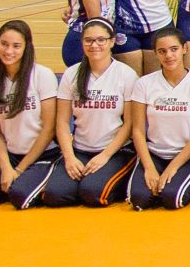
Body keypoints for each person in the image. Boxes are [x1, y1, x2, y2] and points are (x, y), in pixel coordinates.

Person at [0, 21, 60, 209]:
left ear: (26, 48)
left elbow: (49, 129)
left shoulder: (42, 75)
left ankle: (43, 179)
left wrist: (20, 170)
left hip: (43, 155)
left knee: (19, 197)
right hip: (11, 156)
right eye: (4, 44)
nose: (9, 51)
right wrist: (6, 168)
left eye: (16, 46)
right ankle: (19, 182)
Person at [44, 18, 138, 207]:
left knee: (93, 193)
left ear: (112, 41)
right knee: (55, 195)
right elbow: (62, 123)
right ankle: (87, 181)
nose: (94, 45)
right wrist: (69, 158)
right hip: (80, 150)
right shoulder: (71, 74)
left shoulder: (126, 74)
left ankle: (120, 180)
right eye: (89, 40)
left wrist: (105, 156)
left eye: (101, 40)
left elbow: (129, 124)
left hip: (115, 151)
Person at [125, 27, 190, 210]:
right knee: (138, 199)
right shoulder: (144, 84)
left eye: (174, 49)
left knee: (173, 199)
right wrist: (149, 168)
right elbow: (138, 130)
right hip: (154, 154)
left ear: (184, 48)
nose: (169, 55)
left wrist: (172, 167)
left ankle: (185, 180)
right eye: (162, 51)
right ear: (156, 53)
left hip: (187, 156)